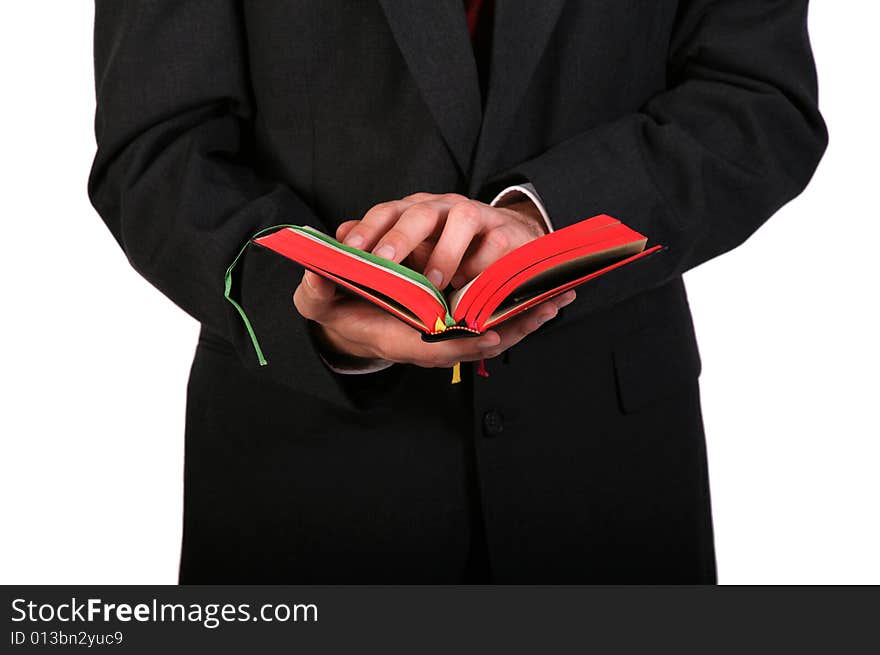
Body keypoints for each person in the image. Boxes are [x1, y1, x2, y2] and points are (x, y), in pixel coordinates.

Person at [89, 1, 827, 583]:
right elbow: (158, 151)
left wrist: (544, 221)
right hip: (301, 490)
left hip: (612, 488)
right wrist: (313, 302)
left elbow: (757, 97)